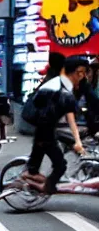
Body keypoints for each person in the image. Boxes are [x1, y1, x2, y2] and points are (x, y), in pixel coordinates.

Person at [23, 57, 88, 194]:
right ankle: (45, 188)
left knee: (38, 154)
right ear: (70, 72)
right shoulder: (64, 91)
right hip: (44, 128)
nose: (81, 76)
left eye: (83, 72)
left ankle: (32, 172)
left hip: (43, 126)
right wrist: (78, 142)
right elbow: (71, 120)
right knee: (60, 166)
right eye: (79, 72)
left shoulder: (58, 83)